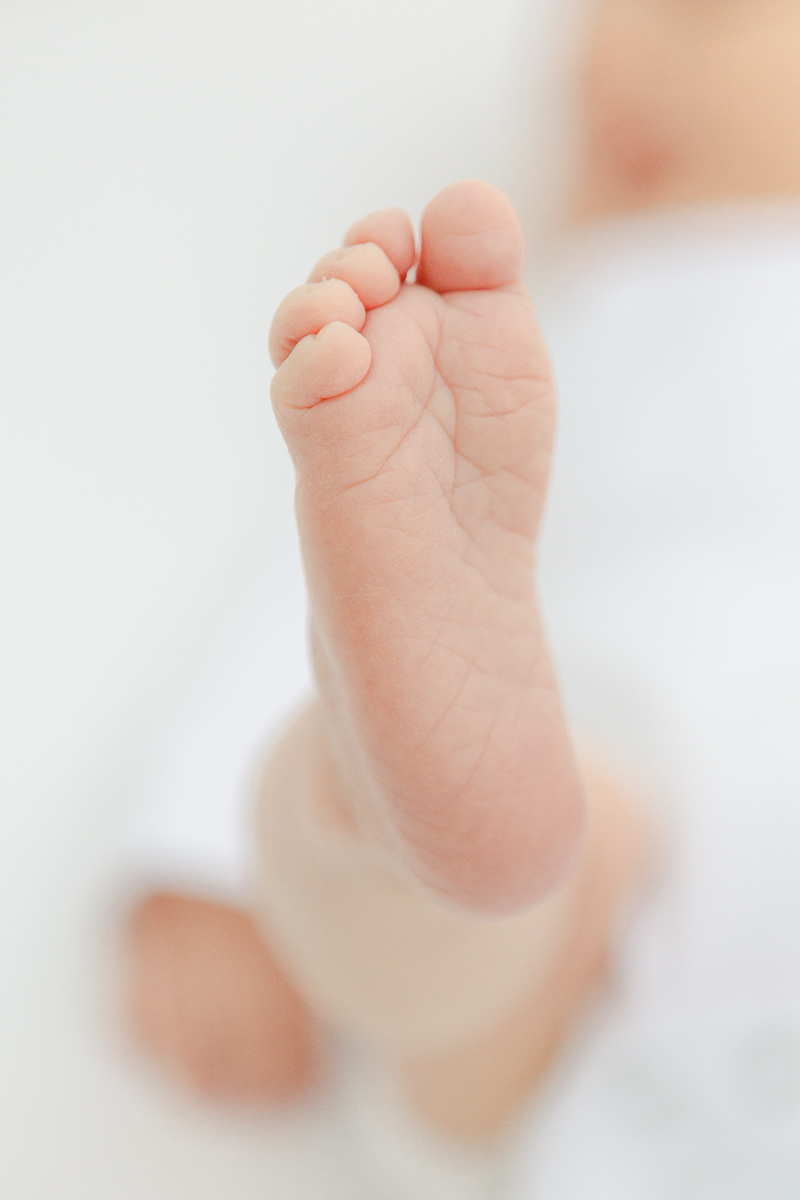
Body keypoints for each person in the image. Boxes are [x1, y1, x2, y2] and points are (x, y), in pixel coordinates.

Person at [125, 0, 800, 1194]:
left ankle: (387, 819)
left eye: (703, 16)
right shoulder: (532, 334)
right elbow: (322, 579)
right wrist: (201, 852)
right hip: (590, 919)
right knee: (487, 864)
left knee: (519, 877)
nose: (606, 61)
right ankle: (386, 815)